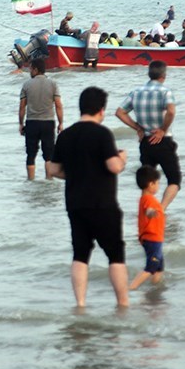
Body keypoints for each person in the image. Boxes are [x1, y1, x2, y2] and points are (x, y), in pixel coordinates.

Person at [48, 87, 130, 308]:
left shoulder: (66, 135)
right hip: (103, 204)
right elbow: (113, 167)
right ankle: (123, 304)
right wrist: (122, 158)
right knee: (115, 254)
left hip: (75, 204)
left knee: (80, 254)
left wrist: (76, 173)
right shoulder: (102, 134)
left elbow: (53, 170)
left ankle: (81, 304)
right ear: (101, 110)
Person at [115, 61, 181, 211]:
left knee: (147, 180)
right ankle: (161, 209)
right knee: (174, 179)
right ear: (163, 75)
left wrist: (137, 126)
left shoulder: (136, 92)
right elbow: (171, 111)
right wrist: (162, 129)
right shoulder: (165, 91)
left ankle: (146, 209)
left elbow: (120, 112)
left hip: (145, 141)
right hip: (163, 141)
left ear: (149, 74)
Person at [19, 58, 63, 180]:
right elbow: (58, 105)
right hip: (48, 123)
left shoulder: (26, 85)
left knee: (31, 154)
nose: (29, 71)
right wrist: (61, 123)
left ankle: (31, 180)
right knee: (49, 155)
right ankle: (49, 180)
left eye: (31, 68)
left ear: (36, 69)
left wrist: (20, 124)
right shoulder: (53, 84)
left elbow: (22, 107)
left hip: (32, 123)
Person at [129, 165, 165, 290]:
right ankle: (131, 288)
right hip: (152, 237)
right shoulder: (149, 199)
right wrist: (152, 213)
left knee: (159, 268)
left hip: (155, 237)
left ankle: (154, 290)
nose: (158, 186)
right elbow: (148, 211)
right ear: (151, 184)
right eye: (158, 183)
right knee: (152, 266)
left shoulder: (144, 198)